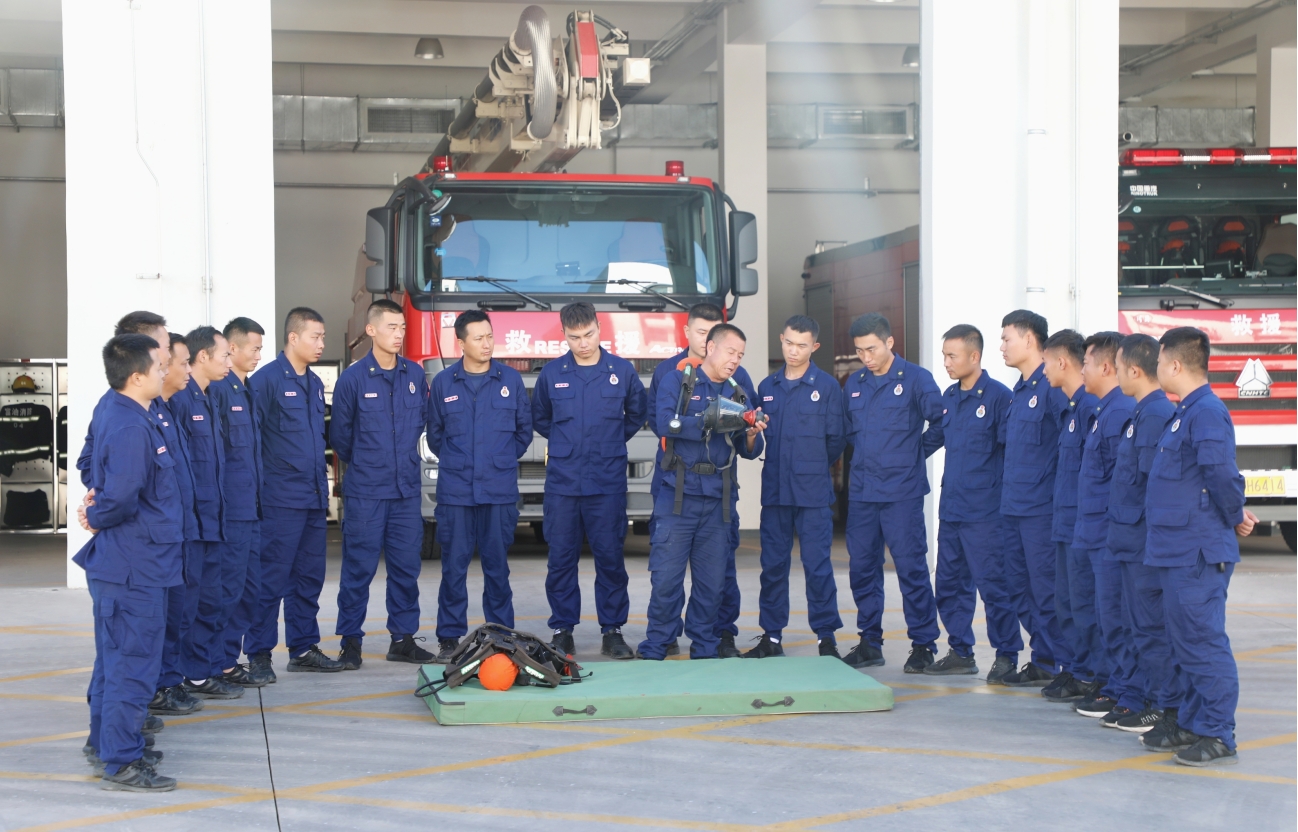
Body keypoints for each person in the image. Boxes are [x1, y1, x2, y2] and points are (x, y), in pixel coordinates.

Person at [1141, 326, 1254, 767]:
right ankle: (1191, 721)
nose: (1156, 369)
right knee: (1182, 642)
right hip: (1175, 549)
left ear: (1175, 364)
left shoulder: (1206, 412)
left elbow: (1221, 474)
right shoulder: (1184, 412)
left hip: (1197, 552)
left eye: (1158, 362)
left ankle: (1218, 731)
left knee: (1202, 642)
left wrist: (1234, 514)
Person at [74, 333, 181, 792]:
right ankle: (122, 761)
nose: (166, 371)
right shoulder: (131, 425)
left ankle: (107, 743)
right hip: (135, 566)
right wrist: (95, 515)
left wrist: (97, 510)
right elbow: (120, 497)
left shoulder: (124, 411)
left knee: (114, 662)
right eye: (159, 366)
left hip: (132, 562)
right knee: (132, 666)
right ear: (136, 376)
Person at [638, 323, 765, 660]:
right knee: (666, 578)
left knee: (711, 583)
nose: (735, 360)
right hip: (677, 496)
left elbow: (749, 449)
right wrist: (709, 421)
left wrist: (751, 434)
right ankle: (657, 644)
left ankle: (705, 646)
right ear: (710, 347)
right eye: (730, 352)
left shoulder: (738, 393)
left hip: (718, 500)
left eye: (740, 355)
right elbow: (665, 423)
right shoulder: (679, 381)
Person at [532, 302, 647, 660]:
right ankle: (562, 630)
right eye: (574, 337)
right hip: (563, 484)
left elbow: (636, 414)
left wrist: (609, 441)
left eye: (589, 334)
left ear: (599, 328)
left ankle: (612, 631)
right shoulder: (552, 374)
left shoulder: (622, 371)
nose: (583, 343)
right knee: (561, 559)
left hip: (607, 482)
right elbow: (540, 417)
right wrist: (567, 443)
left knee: (610, 558)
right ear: (564, 335)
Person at [331, 299, 434, 669]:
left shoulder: (415, 375)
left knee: (406, 569)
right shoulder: (353, 379)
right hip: (367, 493)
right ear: (371, 330)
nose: (399, 334)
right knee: (358, 570)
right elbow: (341, 439)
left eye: (402, 327)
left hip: (405, 492)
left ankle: (402, 639)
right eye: (392, 327)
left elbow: (423, 424)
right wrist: (370, 464)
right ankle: (351, 642)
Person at [425, 310, 532, 662]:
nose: (487, 344)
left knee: (497, 568)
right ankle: (449, 638)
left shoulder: (510, 380)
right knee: (453, 568)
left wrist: (498, 461)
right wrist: (461, 463)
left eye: (490, 336)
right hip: (456, 493)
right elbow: (436, 436)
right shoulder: (444, 383)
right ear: (461, 343)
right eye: (478, 338)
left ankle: (501, 637)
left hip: (498, 492)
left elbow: (523, 433)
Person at [841, 313, 943, 672]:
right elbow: (848, 432)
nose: (866, 357)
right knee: (862, 569)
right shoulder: (855, 384)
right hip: (863, 493)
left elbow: (941, 422)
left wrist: (914, 454)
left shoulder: (916, 379)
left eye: (871, 349)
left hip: (902, 492)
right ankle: (870, 642)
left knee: (911, 568)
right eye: (859, 351)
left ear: (889, 342)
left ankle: (923, 645)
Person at [245, 308, 342, 673]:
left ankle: (303, 648)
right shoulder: (266, 381)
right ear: (293, 337)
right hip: (279, 500)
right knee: (271, 578)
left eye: (323, 337)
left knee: (308, 578)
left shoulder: (314, 384)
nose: (321, 343)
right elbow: (251, 441)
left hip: (313, 498)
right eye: (315, 337)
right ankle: (259, 654)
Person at [746, 315, 845, 659]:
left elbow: (836, 440)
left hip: (812, 494)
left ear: (814, 346)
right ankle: (771, 637)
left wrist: (810, 466)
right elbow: (757, 438)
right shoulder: (767, 387)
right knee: (773, 566)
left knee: (817, 566)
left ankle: (826, 637)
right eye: (789, 342)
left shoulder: (827, 387)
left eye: (802, 345)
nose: (793, 350)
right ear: (781, 339)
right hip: (776, 492)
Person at [927, 324, 1021, 681]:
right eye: (944, 356)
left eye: (952, 356)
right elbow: (934, 439)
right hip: (952, 509)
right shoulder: (949, 397)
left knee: (994, 585)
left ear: (974, 356)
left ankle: (1006, 654)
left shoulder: (999, 398)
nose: (946, 363)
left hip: (986, 513)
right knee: (949, 584)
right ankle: (960, 652)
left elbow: (1010, 455)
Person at [1104, 333, 1179, 735]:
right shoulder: (1141, 413)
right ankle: (1150, 700)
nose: (1114, 374)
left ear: (1134, 371)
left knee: (1152, 630)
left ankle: (1162, 706)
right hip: (1128, 541)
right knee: (1136, 627)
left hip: (1144, 545)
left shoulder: (1153, 416)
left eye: (1118, 367)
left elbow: (1154, 486)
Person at [167, 326, 241, 700]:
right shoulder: (181, 401)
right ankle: (182, 675)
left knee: (211, 601)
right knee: (189, 605)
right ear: (202, 357)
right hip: (191, 525)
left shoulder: (208, 398)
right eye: (225, 355)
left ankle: (201, 671)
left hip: (213, 521)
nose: (230, 361)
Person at [1070, 332, 1137, 722]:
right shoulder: (1104, 411)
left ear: (1107, 367)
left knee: (1116, 618)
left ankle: (1125, 692)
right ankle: (1113, 686)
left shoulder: (1119, 413)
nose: (1083, 371)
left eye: (1087, 363)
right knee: (1098, 615)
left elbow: (1122, 484)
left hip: (1110, 536)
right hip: (1094, 533)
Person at [1040, 330, 1102, 703]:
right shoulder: (1073, 409)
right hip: (1066, 524)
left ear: (1062, 362)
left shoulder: (1091, 408)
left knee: (1085, 606)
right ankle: (1079, 670)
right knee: (1066, 605)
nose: (1044, 370)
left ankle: (1093, 675)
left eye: (1046, 362)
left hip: (1084, 526)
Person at [207, 317, 269, 686]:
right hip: (231, 512)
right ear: (232, 348)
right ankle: (216, 664)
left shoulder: (247, 391)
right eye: (254, 348)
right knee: (227, 591)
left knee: (249, 591)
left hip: (252, 509)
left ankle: (228, 660)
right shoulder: (219, 391)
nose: (259, 355)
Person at [148, 334, 206, 717]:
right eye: (179, 361)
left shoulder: (165, 410)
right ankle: (154, 691)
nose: (186, 369)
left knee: (178, 615)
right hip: (157, 539)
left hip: (182, 531)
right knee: (155, 623)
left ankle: (168, 682)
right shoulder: (134, 413)